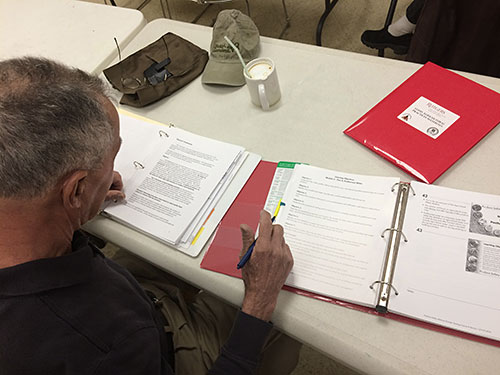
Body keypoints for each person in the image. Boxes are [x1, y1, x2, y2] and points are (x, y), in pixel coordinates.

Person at [0, 57, 300, 374]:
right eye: (111, 157)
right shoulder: (96, 343)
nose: (114, 171)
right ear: (74, 189)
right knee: (286, 319)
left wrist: (82, 203)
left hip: (132, 303)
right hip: (155, 349)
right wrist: (259, 303)